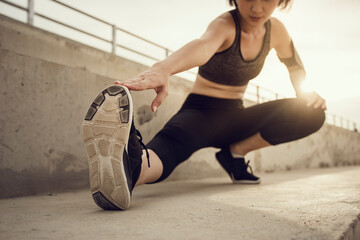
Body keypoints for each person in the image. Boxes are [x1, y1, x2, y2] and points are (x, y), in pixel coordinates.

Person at [82, 0, 326, 210]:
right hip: (200, 113)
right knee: (167, 148)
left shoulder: (277, 31)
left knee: (312, 112)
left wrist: (303, 92)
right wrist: (163, 69)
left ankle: (235, 153)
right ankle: (129, 171)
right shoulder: (225, 25)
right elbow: (203, 46)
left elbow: (294, 65)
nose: (257, 7)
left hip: (236, 118)